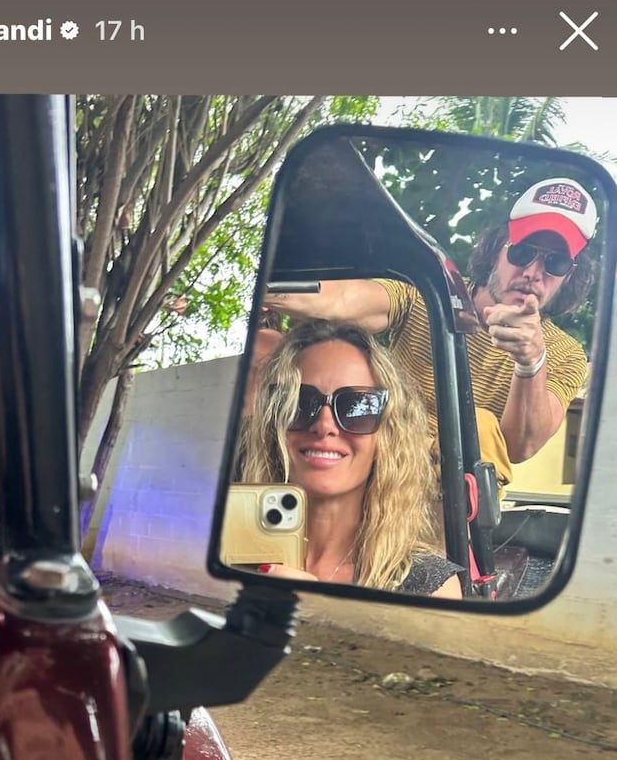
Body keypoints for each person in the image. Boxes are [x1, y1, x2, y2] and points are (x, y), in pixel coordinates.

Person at [263, 177, 598, 487]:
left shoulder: (564, 354)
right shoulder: (431, 292)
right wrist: (274, 291)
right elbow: (347, 298)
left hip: (450, 507)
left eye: (555, 263)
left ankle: (438, 554)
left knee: (479, 428)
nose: (533, 272)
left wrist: (530, 363)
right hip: (375, 455)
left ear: (570, 276)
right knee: (266, 347)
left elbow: (521, 446)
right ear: (498, 247)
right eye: (523, 251)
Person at [238, 318, 463, 599]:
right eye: (300, 402)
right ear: (274, 423)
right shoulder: (230, 554)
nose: (324, 425)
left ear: (388, 434)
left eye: (356, 407)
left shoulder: (428, 586)